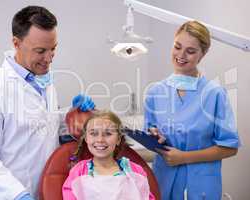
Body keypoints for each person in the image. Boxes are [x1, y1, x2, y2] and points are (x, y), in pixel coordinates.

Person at [0, 6, 94, 200]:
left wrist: (68, 115)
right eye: (41, 51)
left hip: (46, 190)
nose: (49, 58)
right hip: (13, 194)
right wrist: (17, 195)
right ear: (16, 43)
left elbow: (39, 125)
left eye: (53, 49)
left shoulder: (43, 80)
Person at [143, 20, 240, 200]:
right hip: (163, 179)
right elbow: (149, 134)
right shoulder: (155, 92)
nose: (181, 55)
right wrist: (154, 135)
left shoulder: (214, 94)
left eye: (191, 51)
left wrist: (184, 157)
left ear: (203, 54)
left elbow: (229, 148)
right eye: (177, 47)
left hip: (199, 184)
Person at [62, 110, 155, 200]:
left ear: (118, 139)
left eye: (108, 134)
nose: (100, 140)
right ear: (86, 138)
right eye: (93, 134)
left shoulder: (136, 172)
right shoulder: (79, 172)